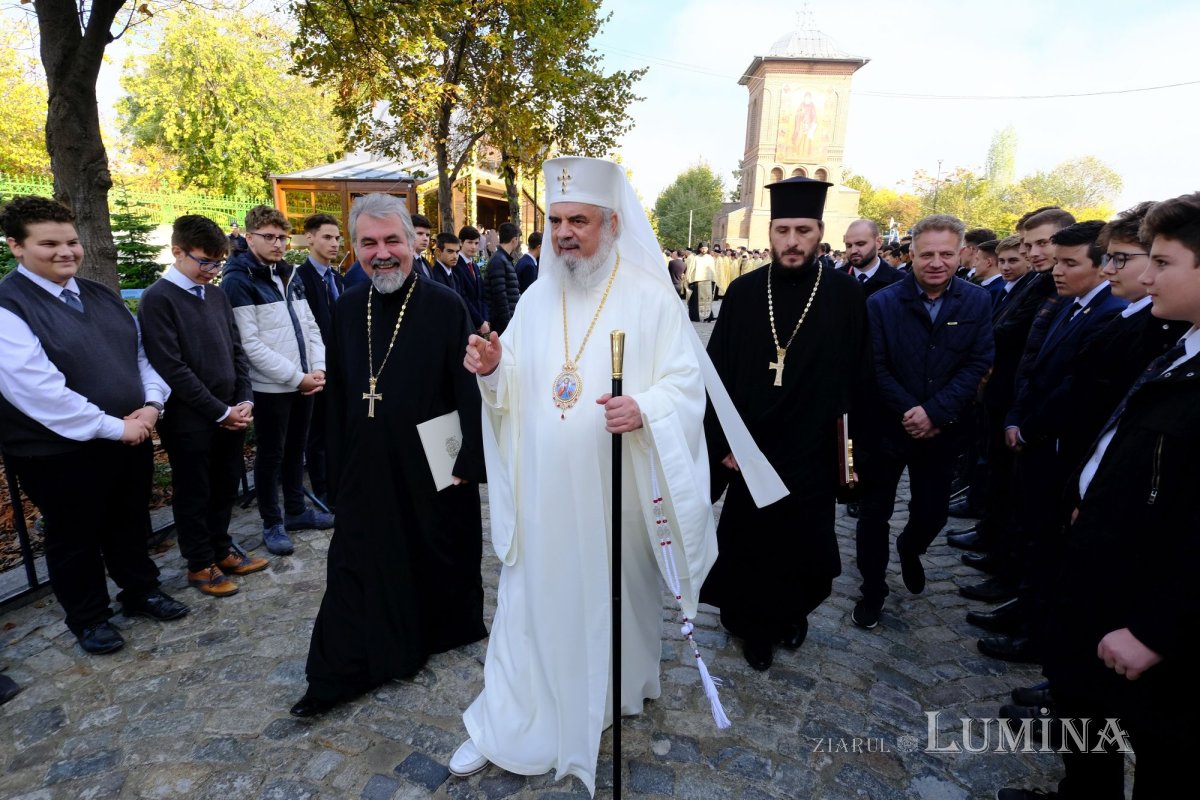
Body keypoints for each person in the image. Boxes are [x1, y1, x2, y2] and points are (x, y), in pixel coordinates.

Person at [453, 156, 780, 793]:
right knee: (529, 603)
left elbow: (686, 384)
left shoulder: (651, 299)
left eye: (580, 219)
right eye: (556, 219)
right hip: (548, 493)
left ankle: (611, 692)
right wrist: (492, 368)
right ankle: (511, 717)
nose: (565, 232)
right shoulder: (536, 296)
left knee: (616, 599)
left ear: (611, 224)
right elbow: (512, 386)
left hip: (616, 496)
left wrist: (645, 408)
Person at [999, 193, 1200, 800]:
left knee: (1155, 747)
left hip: (1147, 607)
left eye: (1160, 262)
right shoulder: (1182, 345)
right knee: (1087, 715)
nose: (1140, 273)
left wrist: (1158, 629)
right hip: (1105, 567)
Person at [289, 193, 487, 718]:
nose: (382, 253)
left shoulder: (445, 304)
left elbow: (467, 388)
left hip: (428, 462)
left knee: (430, 550)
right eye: (368, 243)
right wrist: (328, 462)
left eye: (392, 241)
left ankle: (431, 632)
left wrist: (470, 457)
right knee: (356, 560)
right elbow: (339, 389)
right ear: (354, 248)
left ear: (411, 243)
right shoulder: (349, 305)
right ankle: (338, 670)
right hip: (365, 463)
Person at [0, 195, 188, 654]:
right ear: (16, 247)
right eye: (49, 244)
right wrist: (114, 427)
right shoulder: (8, 306)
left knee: (128, 520)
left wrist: (151, 405)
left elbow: (140, 355)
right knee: (74, 537)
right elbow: (37, 390)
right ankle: (89, 619)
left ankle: (139, 590)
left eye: (71, 241)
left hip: (130, 433)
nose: (66, 252)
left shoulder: (101, 295)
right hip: (57, 451)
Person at [701, 177, 871, 670]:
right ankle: (752, 625)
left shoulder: (844, 296)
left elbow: (858, 380)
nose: (792, 241)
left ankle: (790, 614)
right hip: (749, 448)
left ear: (820, 232)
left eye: (803, 229)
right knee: (749, 543)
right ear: (770, 232)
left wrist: (847, 455)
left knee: (803, 547)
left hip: (812, 451)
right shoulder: (744, 293)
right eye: (782, 230)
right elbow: (716, 377)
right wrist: (723, 445)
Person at [850, 214, 994, 629]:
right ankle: (872, 589)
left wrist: (935, 412)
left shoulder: (977, 301)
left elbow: (977, 362)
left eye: (946, 254)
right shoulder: (881, 303)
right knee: (874, 513)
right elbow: (875, 366)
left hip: (943, 429)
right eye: (926, 254)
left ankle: (911, 549)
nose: (936, 262)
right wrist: (910, 409)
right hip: (887, 428)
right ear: (911, 254)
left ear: (960, 253)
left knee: (931, 514)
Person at [138, 215, 268, 597]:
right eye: (204, 262)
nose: (212, 271)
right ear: (177, 251)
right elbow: (171, 366)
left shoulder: (216, 294)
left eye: (219, 263)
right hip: (190, 419)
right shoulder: (158, 298)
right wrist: (219, 410)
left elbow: (236, 350)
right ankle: (199, 563)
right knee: (195, 491)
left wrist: (244, 399)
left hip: (229, 411)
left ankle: (221, 549)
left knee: (226, 484)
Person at [221, 205, 331, 556]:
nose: (279, 244)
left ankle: (296, 511)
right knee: (271, 455)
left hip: (305, 381)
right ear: (249, 237)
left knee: (296, 450)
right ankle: (273, 521)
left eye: (283, 237)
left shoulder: (289, 274)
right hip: (272, 388)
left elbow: (310, 325)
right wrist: (296, 377)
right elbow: (249, 343)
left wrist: (318, 369)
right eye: (269, 237)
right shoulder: (239, 279)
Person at [295, 213, 345, 507]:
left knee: (337, 425)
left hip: (340, 362)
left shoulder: (336, 276)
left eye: (337, 238)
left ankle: (338, 480)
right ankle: (323, 488)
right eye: (327, 237)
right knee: (318, 431)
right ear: (309, 238)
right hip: (317, 365)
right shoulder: (301, 278)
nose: (334, 243)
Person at [842, 218, 903, 297]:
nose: (853, 251)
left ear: (878, 242)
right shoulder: (833, 279)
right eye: (849, 246)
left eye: (860, 244)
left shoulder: (899, 281)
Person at [483, 222, 521, 334]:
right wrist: (508, 323)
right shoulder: (499, 260)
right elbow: (500, 296)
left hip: (505, 321)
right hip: (502, 323)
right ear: (514, 240)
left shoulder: (503, 258)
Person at [455, 225, 487, 330]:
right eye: (469, 242)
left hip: (479, 323)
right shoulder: (455, 265)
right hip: (465, 323)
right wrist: (480, 322)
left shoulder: (475, 266)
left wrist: (485, 319)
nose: (473, 247)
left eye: (476, 243)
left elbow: (482, 296)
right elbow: (463, 298)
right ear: (461, 242)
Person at [684, 241, 717, 321]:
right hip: (697, 283)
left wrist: (714, 280)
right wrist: (688, 280)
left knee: (708, 300)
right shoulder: (695, 258)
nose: (704, 250)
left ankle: (708, 317)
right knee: (696, 301)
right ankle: (696, 317)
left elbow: (713, 270)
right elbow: (690, 270)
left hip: (708, 282)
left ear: (708, 248)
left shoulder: (710, 258)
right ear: (699, 248)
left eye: (705, 248)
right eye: (702, 248)